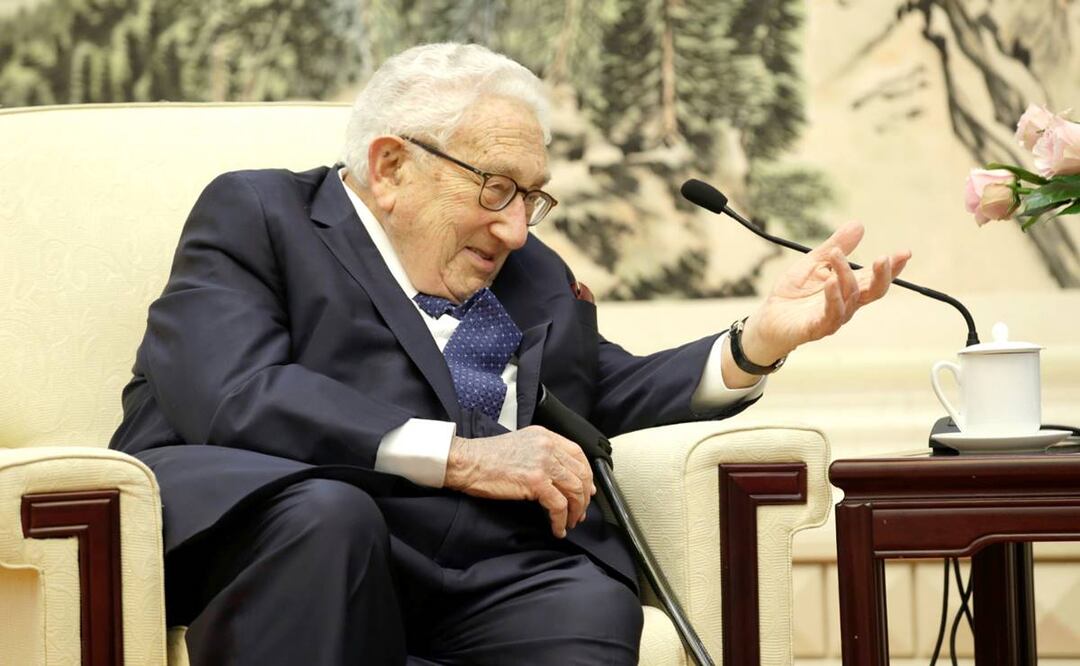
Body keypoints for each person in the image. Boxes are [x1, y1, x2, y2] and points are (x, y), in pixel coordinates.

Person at [110, 43, 910, 666]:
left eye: (533, 197)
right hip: (291, 528)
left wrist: (757, 342)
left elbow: (600, 390)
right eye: (497, 189)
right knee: (330, 518)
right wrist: (464, 458)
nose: (518, 228)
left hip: (483, 563)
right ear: (391, 167)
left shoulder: (532, 272)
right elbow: (233, 393)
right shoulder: (260, 214)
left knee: (583, 592)